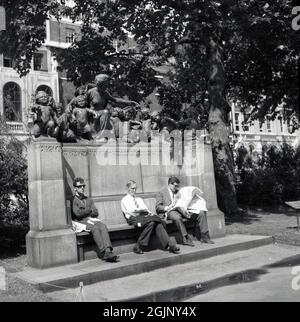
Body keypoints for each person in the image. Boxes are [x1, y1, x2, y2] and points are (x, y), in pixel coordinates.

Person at [121, 180, 180, 255]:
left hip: (145, 217)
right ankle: (139, 245)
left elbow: (147, 210)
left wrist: (148, 213)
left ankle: (170, 245)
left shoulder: (139, 199)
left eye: (135, 188)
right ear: (128, 188)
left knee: (153, 222)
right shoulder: (124, 200)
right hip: (133, 218)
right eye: (133, 188)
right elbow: (131, 212)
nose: (134, 190)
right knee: (155, 221)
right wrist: (142, 211)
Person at [71, 177, 119, 262]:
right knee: (94, 228)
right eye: (79, 186)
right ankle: (103, 252)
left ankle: (108, 251)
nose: (82, 188)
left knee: (103, 226)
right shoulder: (73, 200)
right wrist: (89, 210)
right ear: (75, 188)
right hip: (80, 222)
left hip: (91, 219)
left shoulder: (88, 199)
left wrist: (86, 211)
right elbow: (77, 214)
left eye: (83, 186)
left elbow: (96, 212)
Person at [156, 176, 214, 246]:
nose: (176, 188)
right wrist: (168, 207)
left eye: (178, 186)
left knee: (201, 212)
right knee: (176, 217)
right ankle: (185, 238)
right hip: (171, 211)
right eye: (175, 186)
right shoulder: (161, 192)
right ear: (170, 184)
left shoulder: (179, 191)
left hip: (183, 209)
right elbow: (158, 207)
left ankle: (204, 236)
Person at [86, 74, 138, 141]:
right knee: (105, 112)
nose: (107, 86)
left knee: (115, 118)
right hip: (93, 113)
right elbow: (83, 105)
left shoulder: (105, 93)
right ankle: (101, 136)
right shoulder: (91, 92)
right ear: (100, 84)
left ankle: (121, 136)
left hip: (103, 113)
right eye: (106, 84)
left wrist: (130, 102)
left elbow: (115, 100)